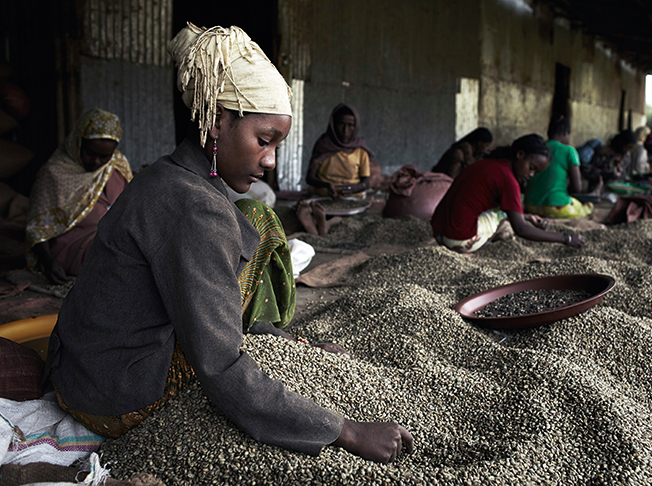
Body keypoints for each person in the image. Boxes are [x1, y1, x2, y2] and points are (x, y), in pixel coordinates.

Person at [43, 23, 412, 465]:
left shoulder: (163, 174)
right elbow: (219, 365)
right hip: (112, 397)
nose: (272, 161)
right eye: (264, 140)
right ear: (218, 121)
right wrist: (346, 431)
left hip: (77, 369)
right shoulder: (198, 209)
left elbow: (200, 301)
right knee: (258, 223)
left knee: (255, 218)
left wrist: (289, 345)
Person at [25, 109, 132, 284]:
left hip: (114, 236)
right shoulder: (54, 173)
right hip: (75, 245)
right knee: (112, 253)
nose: (96, 161)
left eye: (104, 156)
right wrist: (48, 261)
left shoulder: (117, 165)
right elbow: (38, 228)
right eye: (90, 153)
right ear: (77, 142)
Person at [431, 134, 586, 253]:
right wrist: (566, 238)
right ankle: (481, 242)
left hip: (438, 231)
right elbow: (521, 229)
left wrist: (526, 216)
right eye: (531, 167)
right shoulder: (509, 181)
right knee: (500, 218)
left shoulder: (491, 163)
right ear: (520, 155)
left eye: (536, 172)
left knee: (500, 211)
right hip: (458, 240)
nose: (531, 175)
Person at [523, 115, 594, 219]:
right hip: (557, 207)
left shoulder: (538, 147)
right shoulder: (569, 151)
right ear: (566, 133)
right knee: (587, 207)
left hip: (530, 205)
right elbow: (577, 188)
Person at [306, 103, 373, 199]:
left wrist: (353, 188)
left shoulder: (360, 150)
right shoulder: (323, 146)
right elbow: (309, 178)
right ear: (333, 125)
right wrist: (326, 185)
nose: (346, 131)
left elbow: (366, 182)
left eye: (350, 125)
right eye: (341, 124)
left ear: (356, 126)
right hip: (324, 196)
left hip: (353, 197)